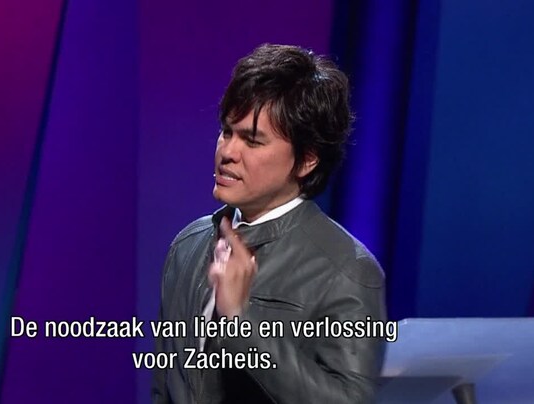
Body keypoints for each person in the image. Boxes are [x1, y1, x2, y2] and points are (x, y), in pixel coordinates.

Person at [152, 43, 386, 404]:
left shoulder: (347, 269)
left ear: (306, 160)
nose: (228, 152)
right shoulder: (187, 246)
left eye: (252, 140)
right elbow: (163, 386)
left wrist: (240, 322)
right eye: (227, 131)